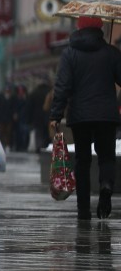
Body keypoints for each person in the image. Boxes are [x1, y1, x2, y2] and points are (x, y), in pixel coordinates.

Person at [48, 15, 121, 221]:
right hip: (106, 115)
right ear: (100, 28)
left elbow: (62, 86)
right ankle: (106, 186)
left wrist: (55, 114)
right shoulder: (110, 52)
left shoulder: (69, 54)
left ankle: (83, 210)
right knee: (106, 156)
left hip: (80, 116)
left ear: (79, 28)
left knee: (83, 160)